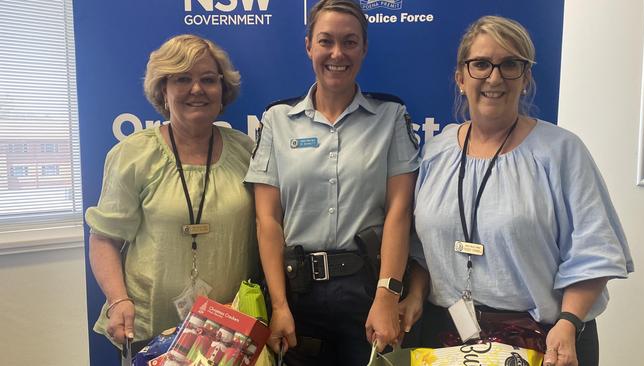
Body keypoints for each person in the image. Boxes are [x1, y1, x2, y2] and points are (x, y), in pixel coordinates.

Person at [400, 15, 634, 366]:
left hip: (542, 341)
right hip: (446, 340)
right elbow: (422, 249)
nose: (494, 77)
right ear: (460, 78)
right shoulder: (438, 151)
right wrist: (415, 295)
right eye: (480, 64)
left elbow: (594, 251)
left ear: (526, 78)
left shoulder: (560, 152)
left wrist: (569, 322)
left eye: (510, 64)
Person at [244, 0, 420, 364]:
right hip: (296, 293)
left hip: (367, 291)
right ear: (308, 45)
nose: (337, 53)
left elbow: (399, 212)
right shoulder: (277, 120)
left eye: (350, 42)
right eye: (326, 41)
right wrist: (278, 305)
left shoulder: (390, 116)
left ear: (364, 48)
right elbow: (267, 221)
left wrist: (388, 296)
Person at [86, 34, 258, 352]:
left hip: (230, 333)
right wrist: (117, 300)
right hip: (151, 332)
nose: (197, 89)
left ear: (223, 91)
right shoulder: (134, 154)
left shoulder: (246, 152)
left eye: (208, 79)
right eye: (182, 79)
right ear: (163, 91)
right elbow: (104, 238)